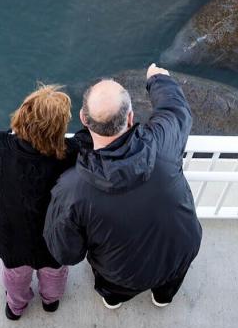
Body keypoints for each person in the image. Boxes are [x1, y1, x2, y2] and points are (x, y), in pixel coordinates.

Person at [44, 63, 202, 310]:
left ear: (84, 119)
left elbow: (67, 254)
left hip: (122, 272)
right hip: (181, 250)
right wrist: (158, 79)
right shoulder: (163, 142)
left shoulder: (72, 189)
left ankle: (114, 300)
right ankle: (162, 298)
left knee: (115, 289)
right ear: (130, 118)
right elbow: (176, 109)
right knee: (169, 281)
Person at [0, 84, 79, 320]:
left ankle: (16, 307)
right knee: (54, 272)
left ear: (21, 115)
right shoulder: (72, 156)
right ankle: (50, 301)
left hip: (10, 238)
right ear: (60, 127)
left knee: (15, 276)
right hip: (54, 240)